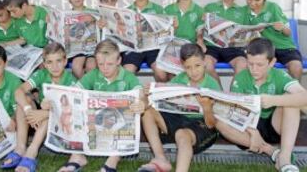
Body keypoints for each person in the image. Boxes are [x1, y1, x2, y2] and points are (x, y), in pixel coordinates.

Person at [215, 38, 306, 172]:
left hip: (273, 125)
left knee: (291, 100)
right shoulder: (240, 78)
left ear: (272, 62)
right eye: (250, 64)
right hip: (247, 132)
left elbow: (304, 97)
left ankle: (284, 159)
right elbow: (236, 113)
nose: (254, 69)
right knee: (219, 122)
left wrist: (273, 100)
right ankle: (270, 151)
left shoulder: (280, 75)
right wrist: (253, 131)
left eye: (259, 64)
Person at [58, 39, 145, 172]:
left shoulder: (128, 77)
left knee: (129, 115)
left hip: (117, 124)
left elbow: (141, 94)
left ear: (118, 61)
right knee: (75, 109)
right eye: (101, 64)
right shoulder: (94, 74)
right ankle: (77, 157)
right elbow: (74, 91)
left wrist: (141, 102)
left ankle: (112, 162)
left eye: (109, 64)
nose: (105, 68)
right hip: (97, 121)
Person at [139, 43, 219, 172]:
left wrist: (207, 108)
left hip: (201, 126)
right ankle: (160, 159)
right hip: (180, 120)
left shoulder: (212, 85)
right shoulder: (179, 79)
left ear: (204, 62)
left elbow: (212, 124)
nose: (193, 71)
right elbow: (157, 102)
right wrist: (150, 92)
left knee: (182, 135)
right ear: (183, 67)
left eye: (197, 66)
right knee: (148, 112)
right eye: (188, 67)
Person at [1, 43, 76, 172]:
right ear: (45, 64)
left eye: (58, 61)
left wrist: (46, 113)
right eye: (50, 62)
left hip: (59, 122)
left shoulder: (71, 80)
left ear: (65, 61)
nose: (54, 66)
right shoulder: (41, 74)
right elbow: (19, 91)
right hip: (37, 119)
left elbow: (73, 109)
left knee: (48, 109)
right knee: (25, 100)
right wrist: (28, 110)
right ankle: (20, 148)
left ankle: (32, 152)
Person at [243, 0, 303, 80]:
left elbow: (288, 33)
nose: (253, 3)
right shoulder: (244, 11)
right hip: (264, 50)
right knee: (254, 66)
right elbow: (244, 35)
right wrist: (254, 33)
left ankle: (295, 94)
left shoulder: (273, 8)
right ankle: (260, 94)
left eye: (257, 0)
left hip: (285, 48)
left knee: (296, 67)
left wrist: (282, 27)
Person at [122, 0, 170, 82]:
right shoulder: (126, 11)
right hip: (134, 49)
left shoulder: (159, 9)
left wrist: (171, 27)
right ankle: (133, 98)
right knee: (127, 73)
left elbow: (165, 33)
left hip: (153, 48)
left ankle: (159, 98)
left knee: (161, 73)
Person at [204, 0, 247, 84]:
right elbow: (201, 30)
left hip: (233, 47)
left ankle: (232, 97)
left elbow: (246, 33)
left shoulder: (242, 11)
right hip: (212, 47)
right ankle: (221, 95)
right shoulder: (210, 7)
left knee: (242, 64)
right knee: (206, 64)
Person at [66, 0, 97, 79]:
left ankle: (91, 91)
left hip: (92, 49)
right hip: (76, 50)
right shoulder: (65, 15)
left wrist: (97, 20)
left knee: (91, 66)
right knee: (76, 67)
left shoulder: (94, 13)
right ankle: (84, 89)